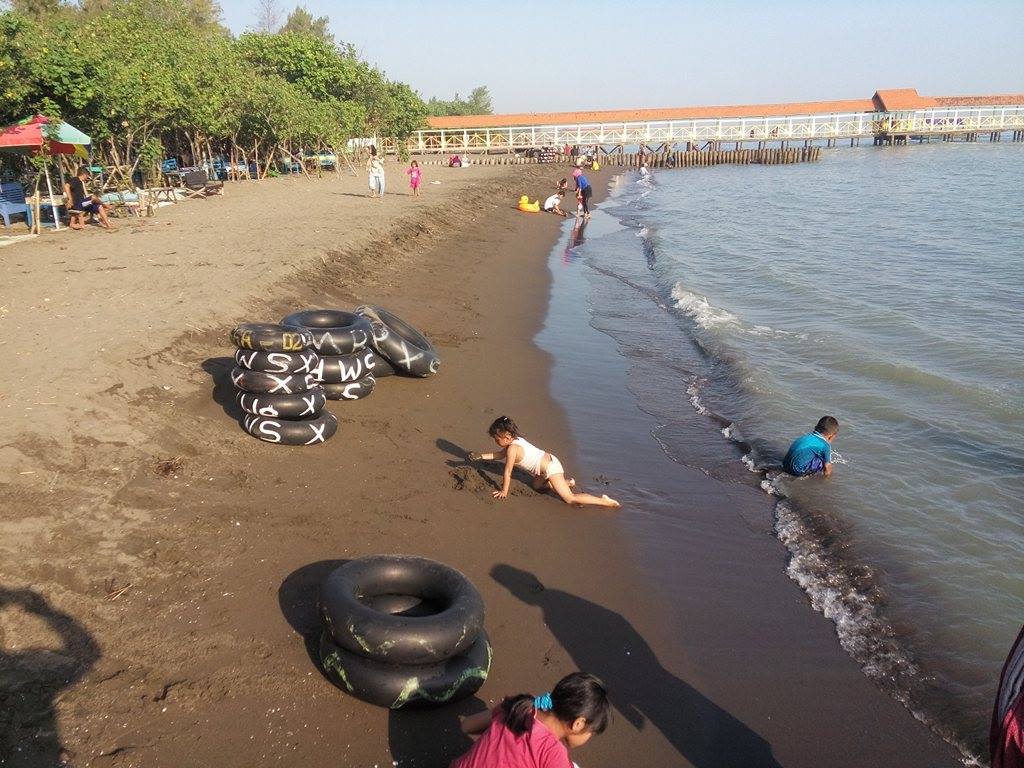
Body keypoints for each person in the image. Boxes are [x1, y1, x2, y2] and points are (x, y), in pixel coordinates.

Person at [450, 672, 610, 768]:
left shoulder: (519, 705)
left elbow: (467, 725)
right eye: (591, 732)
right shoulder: (553, 754)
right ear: (578, 724)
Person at [468, 416, 620, 508]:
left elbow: (508, 472)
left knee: (570, 499)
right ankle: (567, 482)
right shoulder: (515, 441)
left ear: (507, 436)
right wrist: (481, 456)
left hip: (551, 468)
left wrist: (504, 491)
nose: (495, 441)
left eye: (496, 439)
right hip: (545, 467)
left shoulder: (512, 449)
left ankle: (604, 501)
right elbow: (499, 455)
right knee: (536, 486)